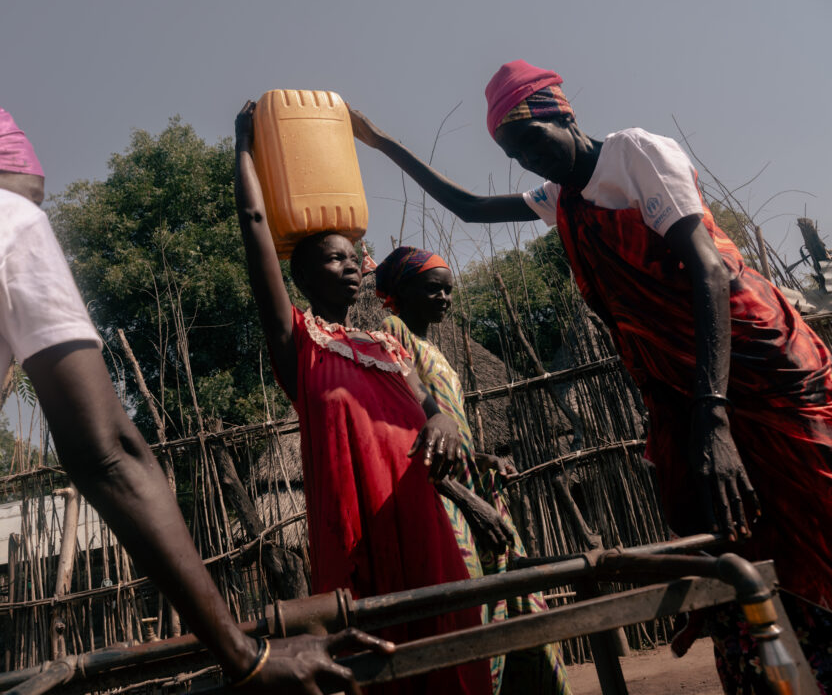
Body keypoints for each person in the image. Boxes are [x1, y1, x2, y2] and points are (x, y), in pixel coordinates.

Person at [0, 84, 393, 695]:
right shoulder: (0, 217)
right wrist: (246, 656)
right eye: (34, 194)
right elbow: (107, 453)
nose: (41, 209)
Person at [349, 60, 832, 692]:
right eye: (512, 152)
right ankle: (774, 669)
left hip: (760, 366)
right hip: (684, 392)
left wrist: (712, 417)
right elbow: (467, 207)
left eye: (530, 141)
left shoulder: (635, 154)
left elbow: (708, 274)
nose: (527, 161)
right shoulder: (563, 200)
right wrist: (382, 142)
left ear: (562, 114)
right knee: (728, 528)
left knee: (816, 504)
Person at [234, 100, 493, 694]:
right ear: (301, 274)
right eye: (334, 257)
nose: (351, 267)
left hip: (420, 517)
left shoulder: (388, 347)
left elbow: (436, 416)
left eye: (355, 257)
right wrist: (243, 145)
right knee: (372, 659)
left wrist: (444, 428)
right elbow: (254, 226)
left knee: (448, 652)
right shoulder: (297, 341)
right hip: (352, 527)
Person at [374, 246, 571, 695]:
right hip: (440, 494)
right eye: (432, 289)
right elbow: (412, 429)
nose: (444, 298)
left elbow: (449, 428)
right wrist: (467, 499)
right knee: (474, 610)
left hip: (469, 486)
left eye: (448, 290)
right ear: (402, 292)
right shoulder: (393, 331)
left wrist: (483, 459)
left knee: (515, 602)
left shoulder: (435, 350)